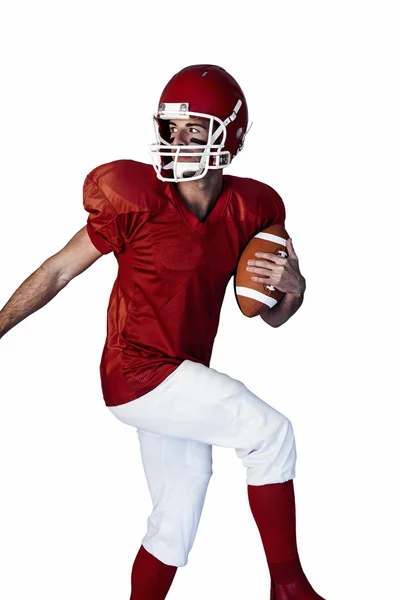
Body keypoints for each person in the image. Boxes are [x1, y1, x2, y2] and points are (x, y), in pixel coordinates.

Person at [0, 64, 326, 600]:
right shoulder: (136, 198)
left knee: (174, 520)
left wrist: (295, 286)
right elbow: (59, 269)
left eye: (194, 131)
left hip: (182, 376)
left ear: (230, 139)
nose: (178, 143)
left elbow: (270, 315)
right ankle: (289, 588)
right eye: (171, 130)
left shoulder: (253, 207)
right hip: (137, 371)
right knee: (270, 435)